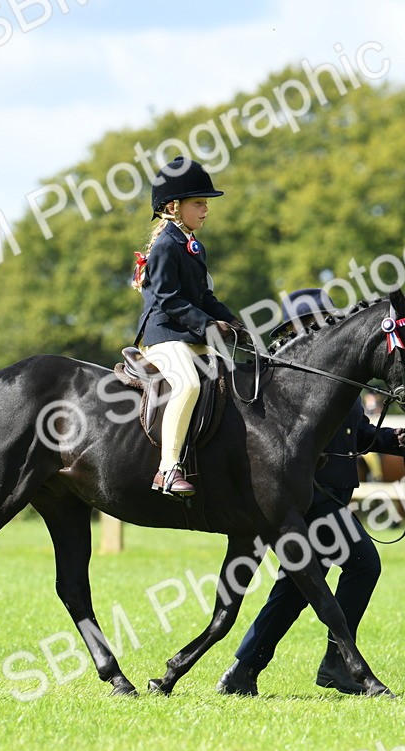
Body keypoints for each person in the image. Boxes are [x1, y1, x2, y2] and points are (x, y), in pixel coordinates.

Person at [216, 288, 405, 696]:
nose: (321, 329)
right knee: (362, 564)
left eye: (324, 321)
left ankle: (244, 671)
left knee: (299, 581)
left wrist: (390, 441)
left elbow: (355, 433)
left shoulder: (336, 378)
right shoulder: (281, 381)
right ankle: (336, 664)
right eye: (312, 323)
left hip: (334, 490)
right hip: (308, 493)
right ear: (292, 330)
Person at [132, 156, 245, 497]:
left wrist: (235, 322)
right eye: (199, 203)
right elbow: (168, 300)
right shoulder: (167, 246)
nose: (205, 210)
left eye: (206, 204)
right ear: (173, 207)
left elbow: (204, 296)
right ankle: (167, 470)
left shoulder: (192, 245)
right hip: (163, 334)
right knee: (188, 385)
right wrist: (210, 325)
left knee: (233, 377)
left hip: (188, 334)